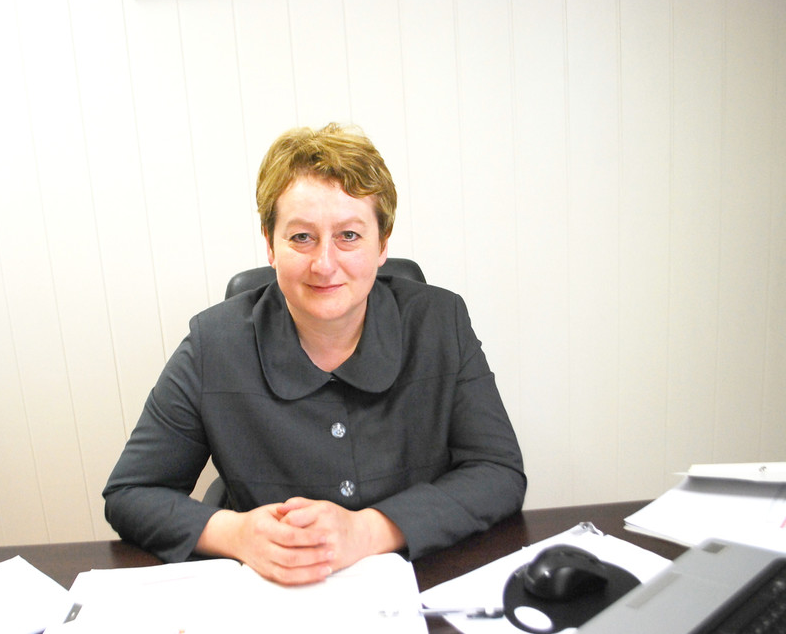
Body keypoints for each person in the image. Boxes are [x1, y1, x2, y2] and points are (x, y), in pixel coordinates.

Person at [103, 123, 526, 586]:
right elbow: (131, 492)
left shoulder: (441, 322)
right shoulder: (213, 344)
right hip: (272, 593)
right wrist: (236, 533)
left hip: (417, 583)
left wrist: (368, 530)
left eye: (349, 235)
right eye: (301, 237)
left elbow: (498, 471)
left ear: (383, 244)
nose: (324, 264)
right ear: (270, 244)